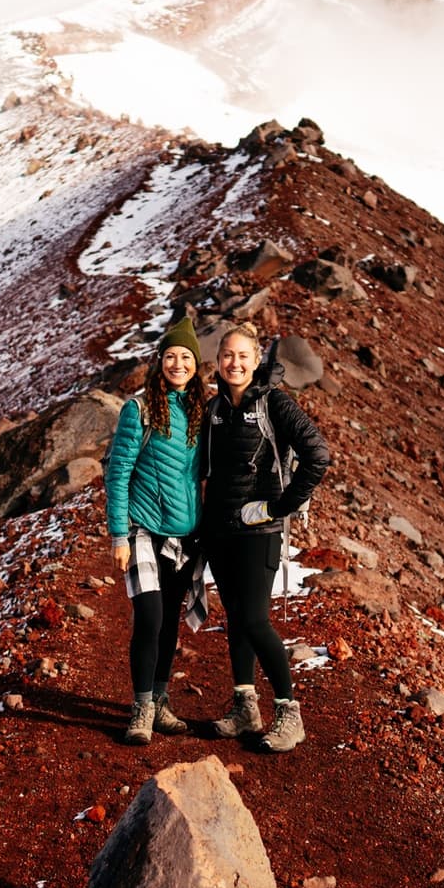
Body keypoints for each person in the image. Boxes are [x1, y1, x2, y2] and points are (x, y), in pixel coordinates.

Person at [198, 321, 330, 752]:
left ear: (257, 360)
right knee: (236, 618)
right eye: (227, 356)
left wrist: (278, 507)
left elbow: (318, 455)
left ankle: (290, 714)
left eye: (243, 356)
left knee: (255, 620)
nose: (234, 363)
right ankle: (244, 708)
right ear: (217, 362)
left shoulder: (275, 403)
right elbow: (204, 469)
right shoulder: (215, 408)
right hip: (220, 530)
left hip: (261, 531)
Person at [104, 316, 208, 745]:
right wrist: (118, 536)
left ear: (196, 365)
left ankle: (162, 701)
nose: (178, 363)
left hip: (187, 535)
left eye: (186, 357)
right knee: (149, 617)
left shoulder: (203, 409)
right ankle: (142, 707)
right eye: (171, 356)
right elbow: (118, 472)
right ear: (159, 361)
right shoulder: (140, 408)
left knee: (169, 625)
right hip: (143, 530)